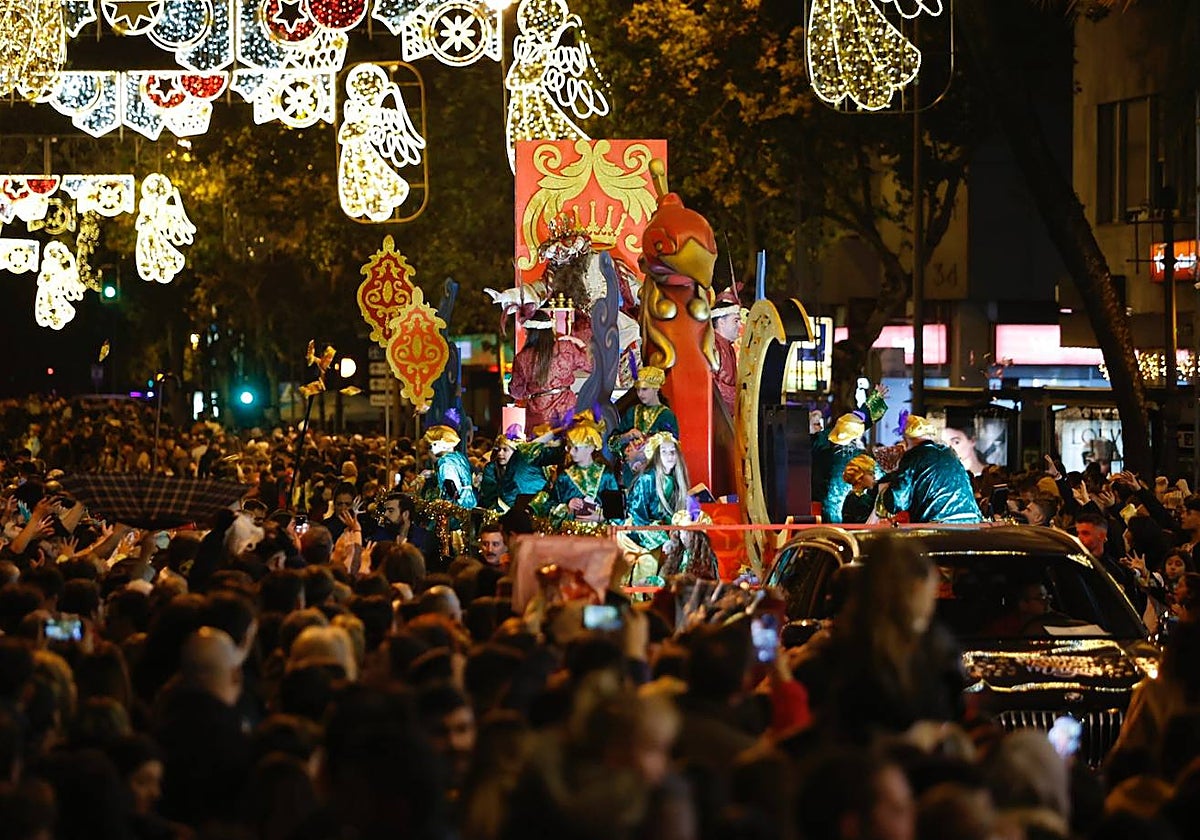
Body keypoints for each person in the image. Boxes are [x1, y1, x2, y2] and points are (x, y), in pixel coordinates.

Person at [877, 415, 982, 524]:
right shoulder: (948, 453)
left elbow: (897, 502)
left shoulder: (913, 456)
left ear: (905, 439)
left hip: (938, 526)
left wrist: (886, 486)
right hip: (972, 522)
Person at [623, 432, 693, 585]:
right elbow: (637, 517)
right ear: (655, 456)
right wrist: (663, 540)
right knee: (649, 562)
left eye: (673, 452)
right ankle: (640, 600)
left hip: (658, 533)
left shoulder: (675, 482)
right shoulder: (647, 479)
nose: (669, 456)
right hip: (637, 535)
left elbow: (673, 516)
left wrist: (676, 534)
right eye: (664, 451)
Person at [810, 387, 887, 524]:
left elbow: (853, 421)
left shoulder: (821, 444)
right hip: (851, 516)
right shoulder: (860, 458)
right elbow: (883, 481)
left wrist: (874, 400)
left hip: (823, 512)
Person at [507, 311, 592, 430]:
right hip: (566, 409)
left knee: (540, 446)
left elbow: (517, 392)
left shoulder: (521, 358)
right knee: (567, 444)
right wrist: (580, 344)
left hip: (538, 415)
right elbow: (591, 365)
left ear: (530, 333)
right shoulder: (565, 347)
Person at [611, 366, 678, 487]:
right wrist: (626, 436)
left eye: (644, 389)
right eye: (637, 390)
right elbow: (612, 444)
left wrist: (641, 455)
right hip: (629, 477)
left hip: (655, 478)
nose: (640, 394)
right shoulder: (632, 412)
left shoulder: (666, 416)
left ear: (656, 388)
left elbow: (672, 450)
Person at [545, 413, 618, 525]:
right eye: (569, 447)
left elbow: (616, 511)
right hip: (571, 535)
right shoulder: (565, 476)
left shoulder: (605, 475)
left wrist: (601, 516)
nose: (570, 452)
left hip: (600, 535)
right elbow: (549, 505)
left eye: (576, 448)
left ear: (591, 448)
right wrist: (567, 507)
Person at [477, 431, 558, 512]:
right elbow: (489, 493)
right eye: (498, 449)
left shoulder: (525, 468)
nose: (500, 453)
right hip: (499, 509)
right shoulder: (491, 468)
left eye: (505, 450)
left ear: (516, 453)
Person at [423, 425, 477, 509]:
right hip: (469, 502)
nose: (431, 449)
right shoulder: (459, 457)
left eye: (432, 444)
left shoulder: (445, 462)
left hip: (455, 507)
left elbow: (450, 485)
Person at [710, 286, 742, 414]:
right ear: (721, 322)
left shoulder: (729, 348)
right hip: (718, 416)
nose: (740, 325)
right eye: (736, 321)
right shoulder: (713, 346)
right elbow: (713, 385)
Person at [840, 453, 879, 524]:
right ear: (859, 477)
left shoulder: (851, 497)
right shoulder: (860, 500)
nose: (874, 477)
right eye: (870, 474)